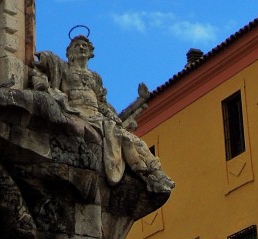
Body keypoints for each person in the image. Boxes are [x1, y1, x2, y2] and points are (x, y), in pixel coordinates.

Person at [33, 35, 174, 193]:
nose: (81, 48)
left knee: (133, 140)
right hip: (77, 111)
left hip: (98, 116)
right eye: (77, 45)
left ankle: (155, 175)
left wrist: (138, 101)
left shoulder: (95, 77)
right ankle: (147, 176)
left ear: (90, 52)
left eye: (84, 46)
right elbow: (47, 64)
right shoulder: (64, 69)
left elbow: (102, 103)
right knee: (122, 138)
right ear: (69, 53)